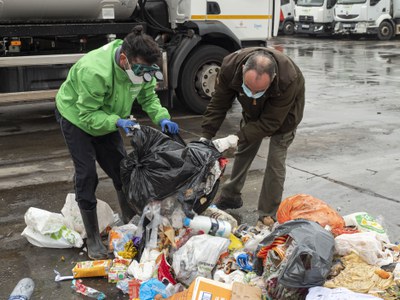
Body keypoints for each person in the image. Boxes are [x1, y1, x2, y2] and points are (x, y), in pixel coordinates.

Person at [55, 25, 179, 259]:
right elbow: (88, 116)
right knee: (86, 174)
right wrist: (118, 122)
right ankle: (93, 237)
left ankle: (129, 221)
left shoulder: (141, 68)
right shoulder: (94, 71)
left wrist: (162, 117)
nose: (143, 74)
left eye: (148, 70)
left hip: (109, 115)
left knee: (123, 170)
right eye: (140, 68)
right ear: (124, 59)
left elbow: (148, 96)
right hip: (76, 117)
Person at [201, 47, 305, 226]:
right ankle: (230, 195)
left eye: (259, 91)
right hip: (252, 111)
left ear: (272, 80)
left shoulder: (289, 79)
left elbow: (270, 123)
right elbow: (219, 103)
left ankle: (268, 214)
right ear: (242, 70)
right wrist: (206, 135)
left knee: (275, 162)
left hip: (284, 116)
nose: (253, 93)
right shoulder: (229, 67)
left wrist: (234, 137)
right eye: (248, 88)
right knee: (243, 149)